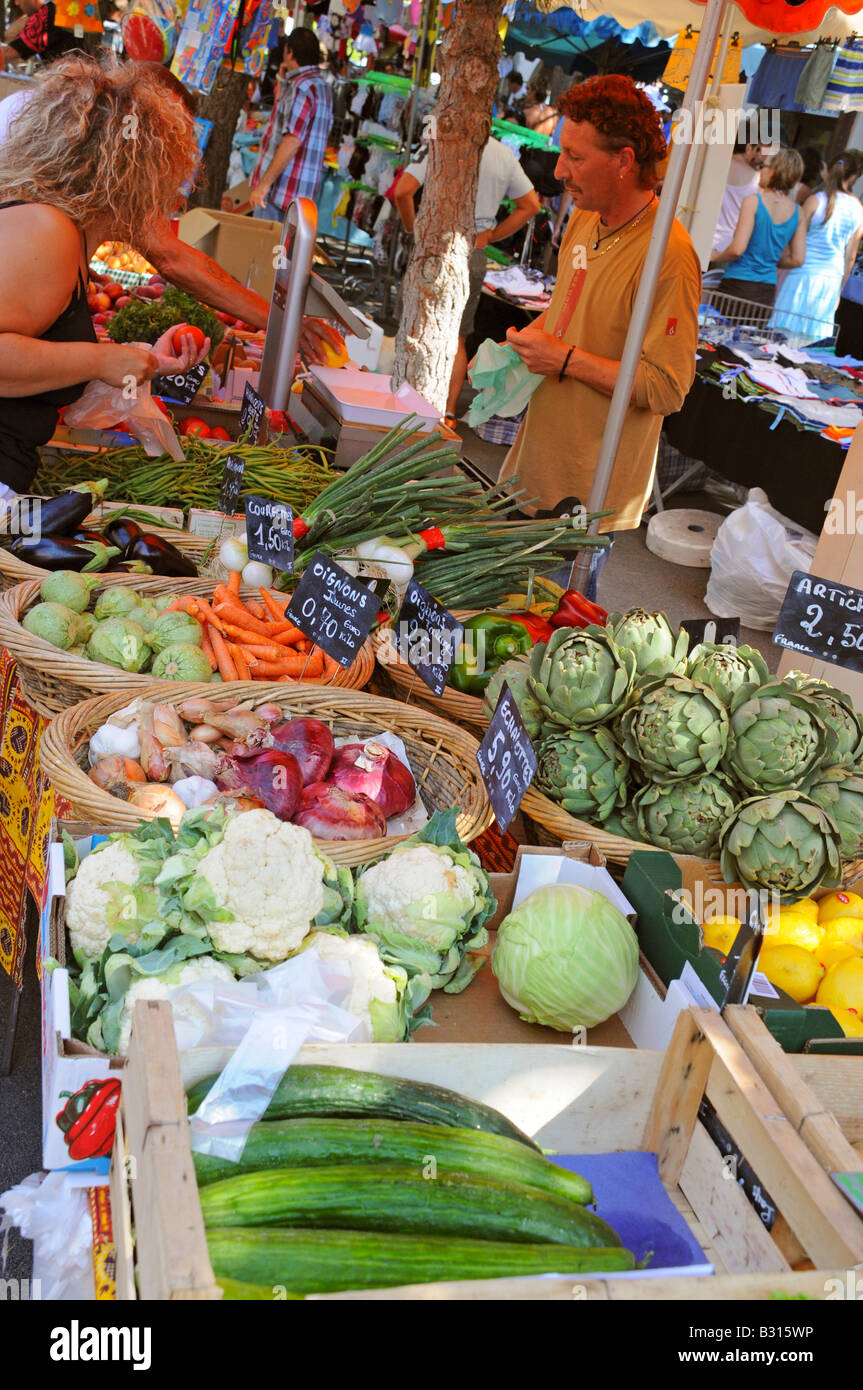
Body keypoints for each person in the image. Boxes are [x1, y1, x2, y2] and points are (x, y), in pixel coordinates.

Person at [501, 74, 700, 601]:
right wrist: (526, 343)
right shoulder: (585, 219)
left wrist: (563, 358)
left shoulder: (669, 257)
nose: (560, 170)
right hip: (533, 466)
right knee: (502, 617)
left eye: (575, 157)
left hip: (589, 492)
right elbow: (567, 310)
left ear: (624, 161)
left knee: (547, 635)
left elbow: (667, 387)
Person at [0, 59, 344, 358]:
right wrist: (102, 362)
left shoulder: (70, 140)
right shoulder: (53, 223)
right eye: (172, 140)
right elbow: (174, 259)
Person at [0, 56, 207, 496]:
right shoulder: (48, 232)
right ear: (132, 173)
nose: (170, 196)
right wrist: (102, 361)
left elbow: (36, 359)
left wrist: (139, 360)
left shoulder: (64, 234)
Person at [393, 137, 541, 423]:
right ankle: (446, 414)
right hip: (475, 249)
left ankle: (403, 404)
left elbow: (403, 191)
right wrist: (494, 234)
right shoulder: (503, 154)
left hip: (436, 246)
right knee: (457, 337)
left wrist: (414, 229)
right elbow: (531, 205)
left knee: (417, 326)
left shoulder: (441, 142)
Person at [772, 150, 863, 341]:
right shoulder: (857, 209)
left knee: (781, 338)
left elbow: (793, 239)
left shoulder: (815, 200)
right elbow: (850, 257)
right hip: (830, 280)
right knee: (810, 345)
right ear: (853, 177)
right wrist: (839, 291)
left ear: (826, 171)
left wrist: (779, 271)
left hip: (800, 276)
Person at [250, 26, 333, 220]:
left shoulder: (302, 87)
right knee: (285, 251)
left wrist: (263, 186)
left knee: (265, 249)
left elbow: (292, 139)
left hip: (281, 193)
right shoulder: (322, 87)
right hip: (300, 198)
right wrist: (282, 77)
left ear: (290, 52)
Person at [710, 147, 804, 310]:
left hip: (737, 285)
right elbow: (797, 259)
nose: (760, 172)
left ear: (773, 171)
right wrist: (769, 260)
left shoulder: (753, 202)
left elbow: (738, 249)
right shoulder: (798, 212)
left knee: (716, 334)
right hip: (766, 291)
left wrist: (714, 257)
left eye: (763, 167)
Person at [711, 130, 771, 258]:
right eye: (762, 152)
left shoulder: (714, 165)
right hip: (725, 247)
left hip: (698, 234)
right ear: (749, 148)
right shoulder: (757, 181)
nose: (764, 158)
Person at [0, 0, 80, 67]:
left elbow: (7, 54)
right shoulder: (62, 8)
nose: (16, 3)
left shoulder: (45, 15)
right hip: (83, 78)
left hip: (70, 80)